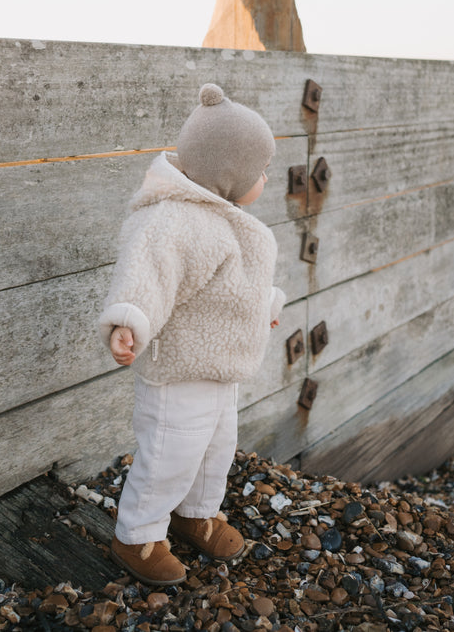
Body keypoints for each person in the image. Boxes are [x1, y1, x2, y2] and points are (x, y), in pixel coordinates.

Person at [99, 82, 286, 586]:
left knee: (216, 447)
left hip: (222, 369)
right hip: (179, 370)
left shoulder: (226, 220)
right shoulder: (171, 221)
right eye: (261, 170)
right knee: (169, 453)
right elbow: (146, 275)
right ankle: (137, 534)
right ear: (230, 175)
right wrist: (128, 319)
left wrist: (265, 306)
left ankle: (196, 512)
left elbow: (237, 287)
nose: (266, 178)